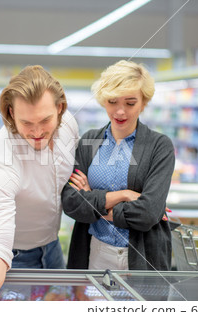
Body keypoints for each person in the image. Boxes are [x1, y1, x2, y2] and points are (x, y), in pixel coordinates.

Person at [0, 65, 79, 300]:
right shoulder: (0, 158)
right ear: (11, 113)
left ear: (59, 108)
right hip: (11, 258)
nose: (37, 131)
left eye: (45, 120)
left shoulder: (69, 125)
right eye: (27, 123)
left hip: (52, 247)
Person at [61, 60, 175, 271]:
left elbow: (148, 213)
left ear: (144, 102)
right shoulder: (90, 142)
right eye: (113, 101)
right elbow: (71, 202)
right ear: (103, 100)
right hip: (93, 252)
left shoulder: (159, 146)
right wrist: (123, 195)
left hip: (143, 257)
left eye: (130, 103)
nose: (120, 111)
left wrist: (94, 203)